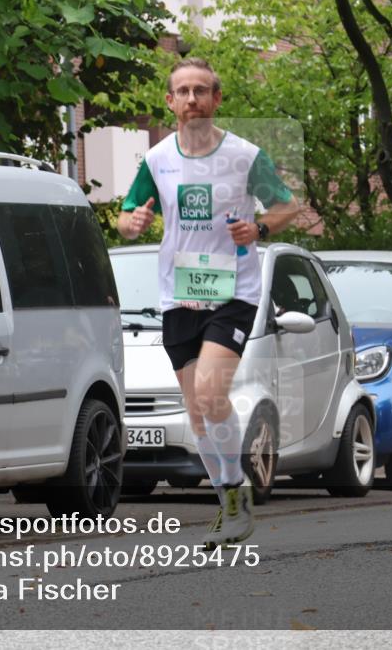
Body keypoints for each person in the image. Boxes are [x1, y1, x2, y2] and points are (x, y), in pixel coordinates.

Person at [117, 57, 300, 546]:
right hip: (179, 293)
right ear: (170, 102)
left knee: (211, 392)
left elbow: (288, 207)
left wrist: (259, 228)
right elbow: (126, 213)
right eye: (183, 91)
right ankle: (230, 497)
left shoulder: (244, 156)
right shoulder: (157, 160)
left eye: (202, 90)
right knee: (197, 410)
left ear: (217, 100)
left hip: (234, 291)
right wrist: (130, 224)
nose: (193, 99)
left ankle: (236, 494)